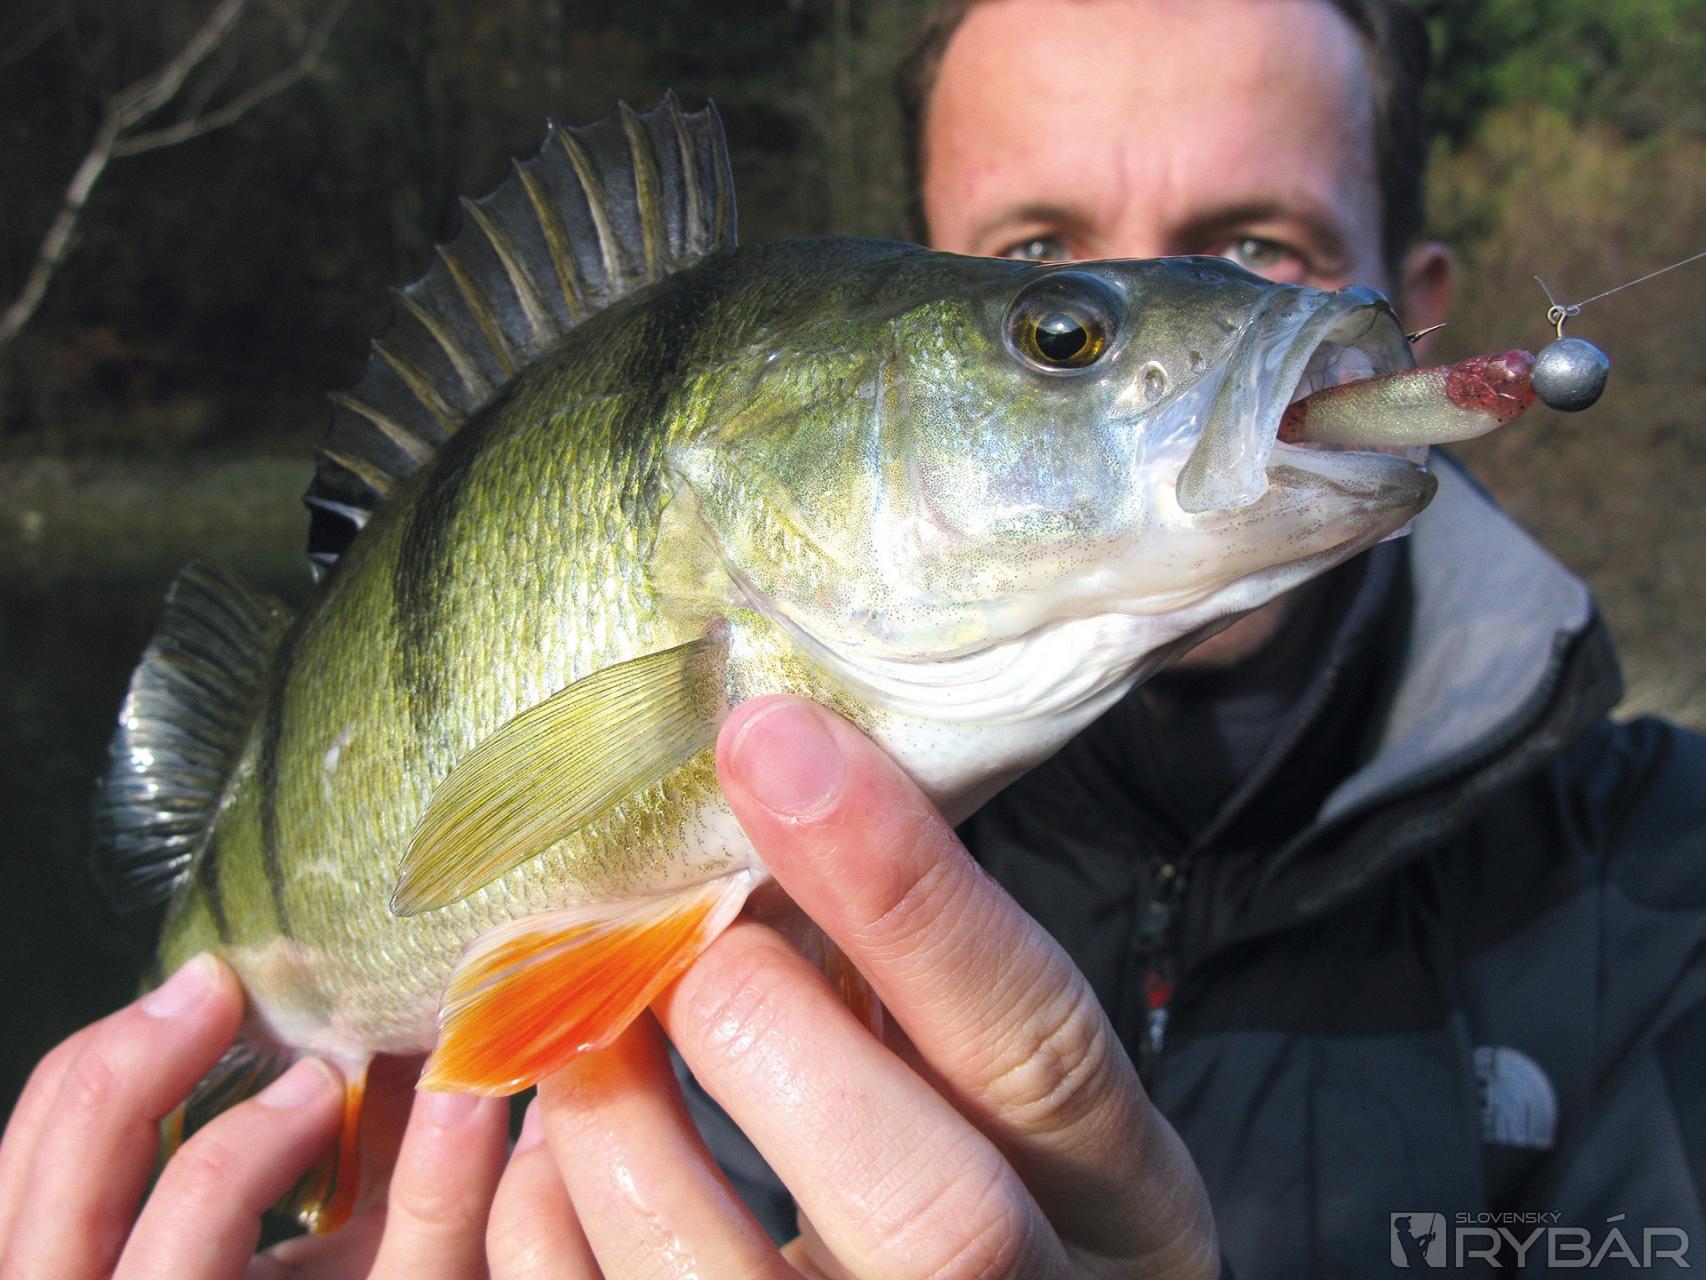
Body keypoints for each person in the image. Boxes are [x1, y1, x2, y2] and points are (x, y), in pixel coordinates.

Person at [4, 1, 1702, 1276]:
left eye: (1257, 247)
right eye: (1052, 308)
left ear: (1409, 301)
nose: (1188, 302)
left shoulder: (1653, 904)